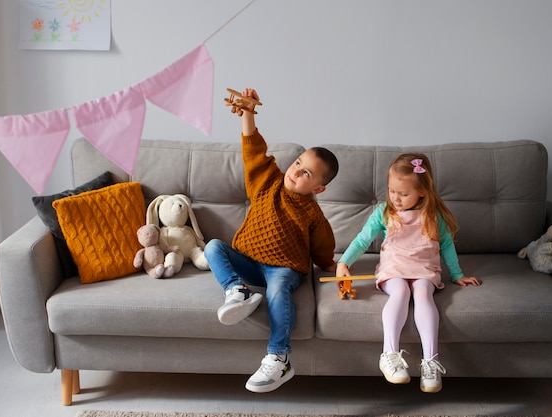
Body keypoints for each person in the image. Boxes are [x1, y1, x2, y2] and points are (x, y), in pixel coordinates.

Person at [205, 88, 339, 393]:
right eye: (297, 164)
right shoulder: (267, 181)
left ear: (318, 189)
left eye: (307, 174)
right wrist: (249, 114)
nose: (296, 173)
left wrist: (328, 263)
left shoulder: (311, 212)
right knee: (213, 246)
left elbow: (322, 243)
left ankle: (279, 358)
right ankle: (235, 290)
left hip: (283, 269)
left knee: (278, 291)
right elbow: (253, 151)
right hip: (248, 261)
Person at [336, 153, 481, 393]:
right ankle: (389, 354)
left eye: (403, 194)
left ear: (422, 191)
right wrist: (343, 263)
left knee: (423, 293)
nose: (396, 198)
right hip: (394, 269)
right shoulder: (385, 212)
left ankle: (430, 362)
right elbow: (363, 240)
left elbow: (446, 245)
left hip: (424, 269)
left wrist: (457, 274)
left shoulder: (434, 215)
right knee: (401, 292)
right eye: (392, 191)